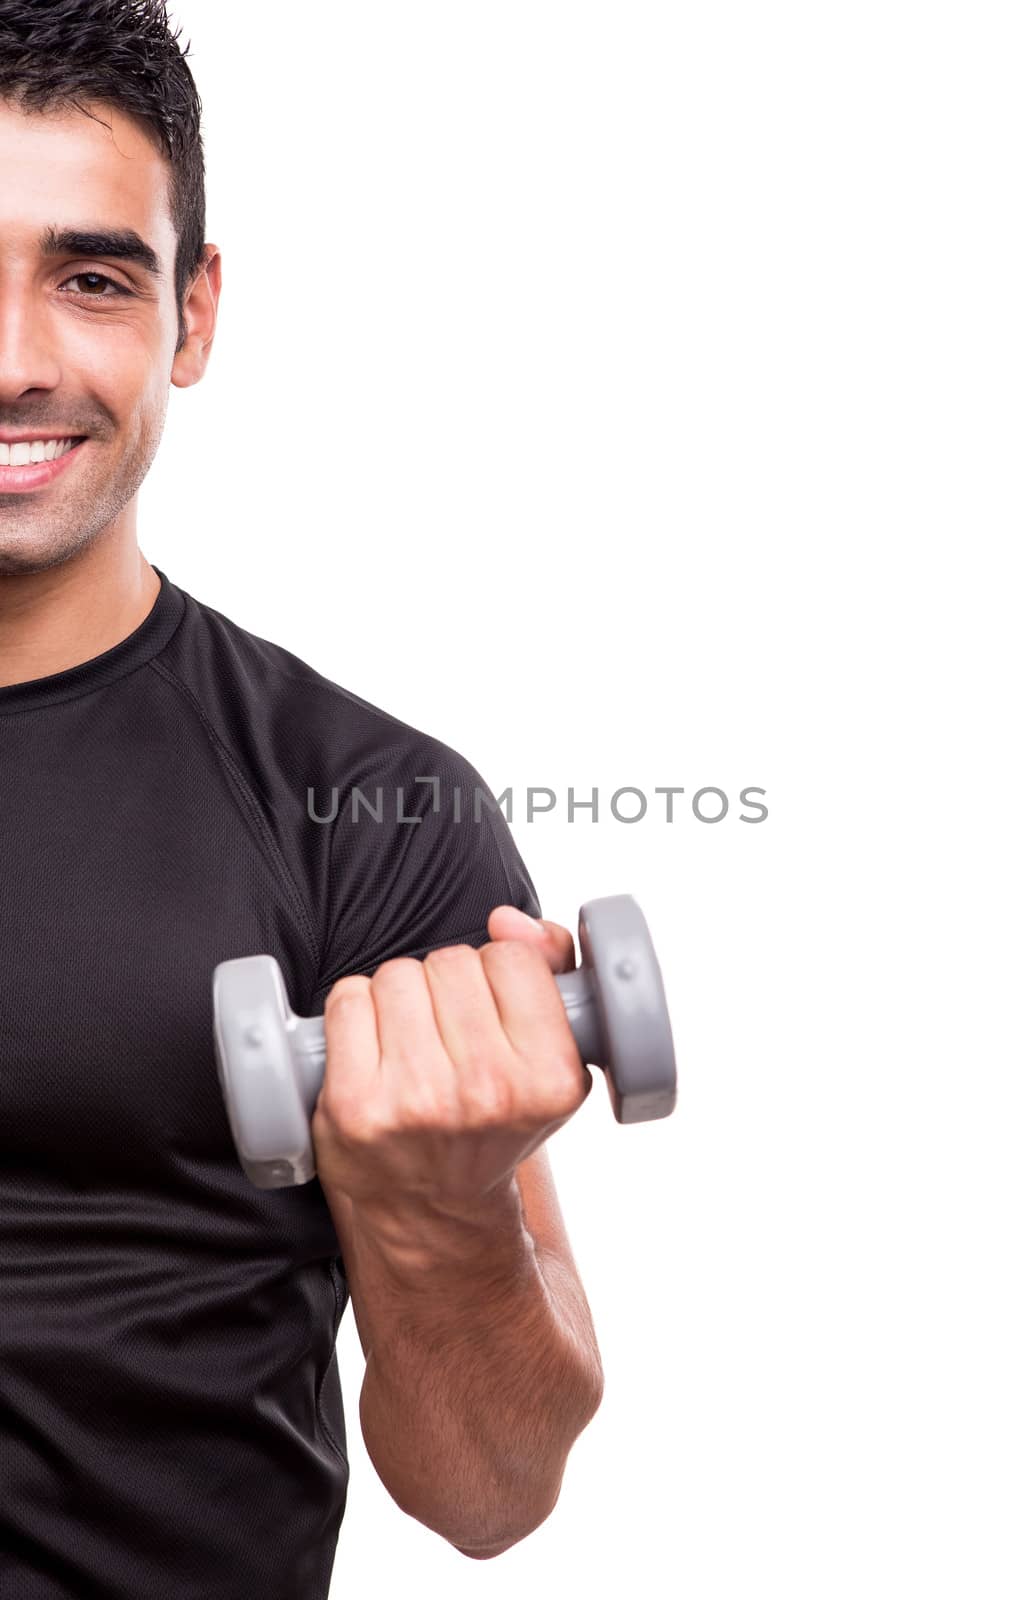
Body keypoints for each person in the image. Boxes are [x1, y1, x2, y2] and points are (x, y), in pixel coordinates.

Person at [0, 3, 604, 1595]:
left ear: (193, 314)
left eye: (92, 277)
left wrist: (436, 1214)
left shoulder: (373, 810)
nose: (15, 361)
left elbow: (490, 1492)